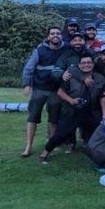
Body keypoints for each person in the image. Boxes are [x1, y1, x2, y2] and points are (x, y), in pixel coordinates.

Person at [39, 54, 105, 164]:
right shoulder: (71, 77)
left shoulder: (100, 78)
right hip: (74, 110)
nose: (86, 65)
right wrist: (71, 100)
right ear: (79, 65)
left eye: (89, 63)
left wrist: (104, 115)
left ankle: (99, 156)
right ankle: (44, 154)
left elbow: (102, 96)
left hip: (91, 111)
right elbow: (60, 92)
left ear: (93, 64)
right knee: (60, 133)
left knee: (99, 133)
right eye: (83, 63)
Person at [21, 26, 69, 157]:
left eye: (58, 33)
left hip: (56, 90)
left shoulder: (66, 49)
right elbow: (29, 68)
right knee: (32, 117)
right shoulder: (40, 50)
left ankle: (50, 145)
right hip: (39, 89)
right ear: (48, 36)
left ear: (61, 36)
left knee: (54, 119)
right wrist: (26, 85)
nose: (55, 35)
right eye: (52, 33)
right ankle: (28, 146)